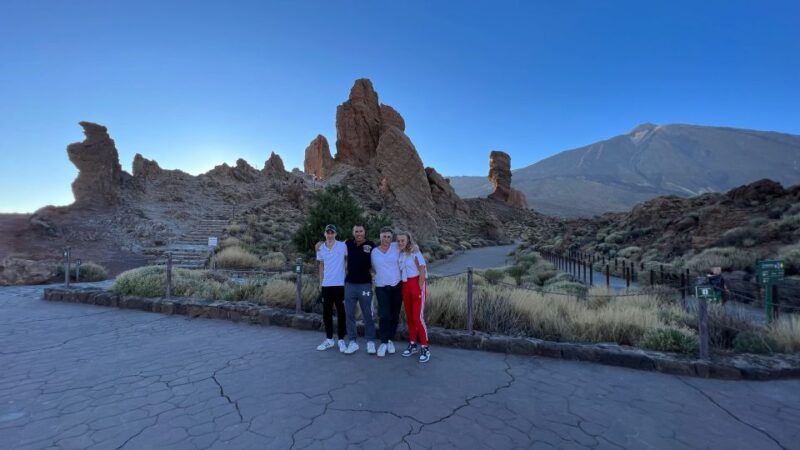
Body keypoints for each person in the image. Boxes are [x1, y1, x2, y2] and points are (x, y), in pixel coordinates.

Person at [341, 224, 377, 355]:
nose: (359, 233)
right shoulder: (348, 243)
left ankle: (370, 341)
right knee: (349, 314)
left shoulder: (371, 245)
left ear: (364, 232)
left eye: (361, 231)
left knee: (367, 313)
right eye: (356, 231)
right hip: (349, 284)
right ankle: (352, 342)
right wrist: (319, 244)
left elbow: (385, 251)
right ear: (353, 232)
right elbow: (332, 245)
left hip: (365, 284)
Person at [397, 231, 430, 363]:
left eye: (402, 240)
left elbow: (422, 269)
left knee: (417, 317)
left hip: (416, 284)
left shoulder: (415, 252)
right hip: (405, 285)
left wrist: (420, 287)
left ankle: (425, 347)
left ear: (408, 240)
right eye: (398, 240)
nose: (400, 243)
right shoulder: (400, 252)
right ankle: (412, 344)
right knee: (410, 317)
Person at [371, 227, 403, 357]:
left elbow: (409, 244)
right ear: (380, 237)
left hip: (397, 286)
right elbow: (371, 267)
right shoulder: (374, 252)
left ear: (392, 238)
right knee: (384, 314)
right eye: (384, 236)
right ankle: (383, 342)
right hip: (381, 287)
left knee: (394, 315)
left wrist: (416, 247)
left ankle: (390, 340)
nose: (386, 239)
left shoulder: (396, 247)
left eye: (389, 237)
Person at [315, 224, 347, 352]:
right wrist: (321, 282)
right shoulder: (320, 248)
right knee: (326, 313)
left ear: (335, 234)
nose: (330, 235)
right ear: (325, 234)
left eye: (332, 233)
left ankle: (341, 340)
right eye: (327, 233)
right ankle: (329, 339)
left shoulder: (342, 246)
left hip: (340, 285)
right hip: (326, 285)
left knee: (341, 313)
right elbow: (321, 265)